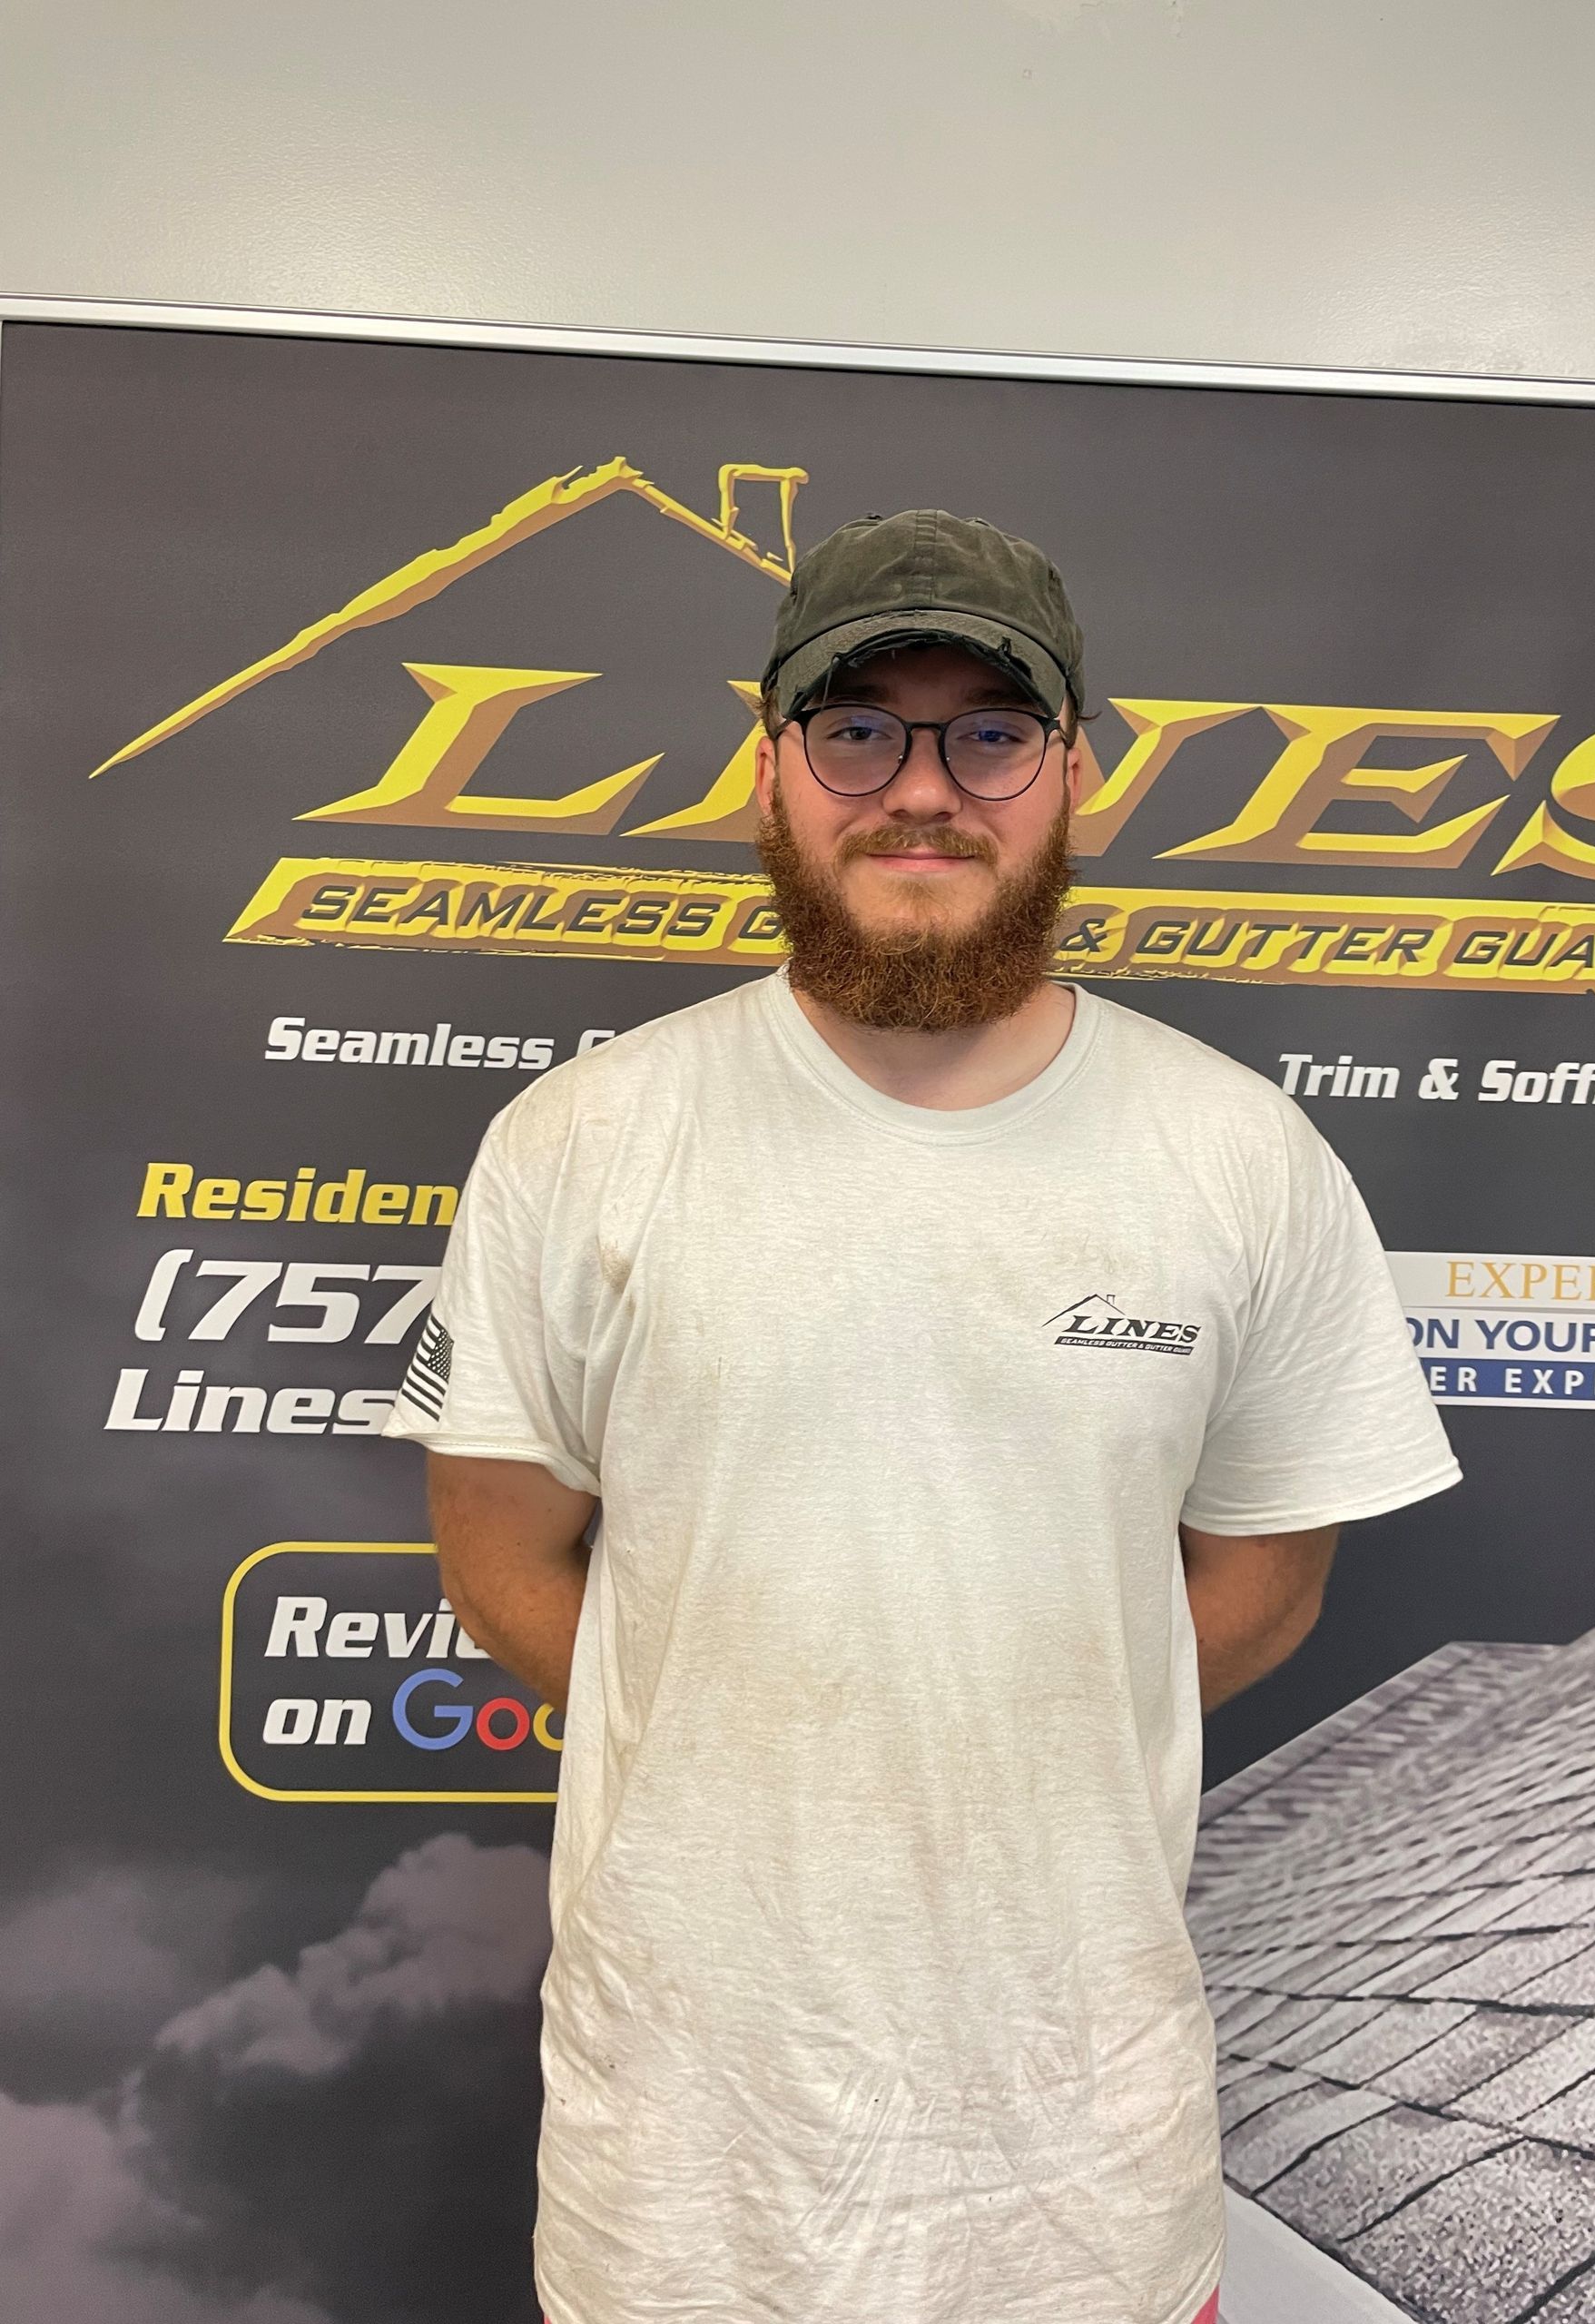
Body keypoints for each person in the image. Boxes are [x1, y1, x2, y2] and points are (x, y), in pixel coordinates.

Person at [384, 507, 1461, 2324]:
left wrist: (1018, 1721)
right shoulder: (582, 1142)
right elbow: (498, 1546)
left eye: (990, 731)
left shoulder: (1239, 1156)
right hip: (682, 2179)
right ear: (772, 768)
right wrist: (735, 1718)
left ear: (1077, 779)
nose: (922, 789)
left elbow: (1270, 1573)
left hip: (1078, 2182)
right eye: (859, 726)